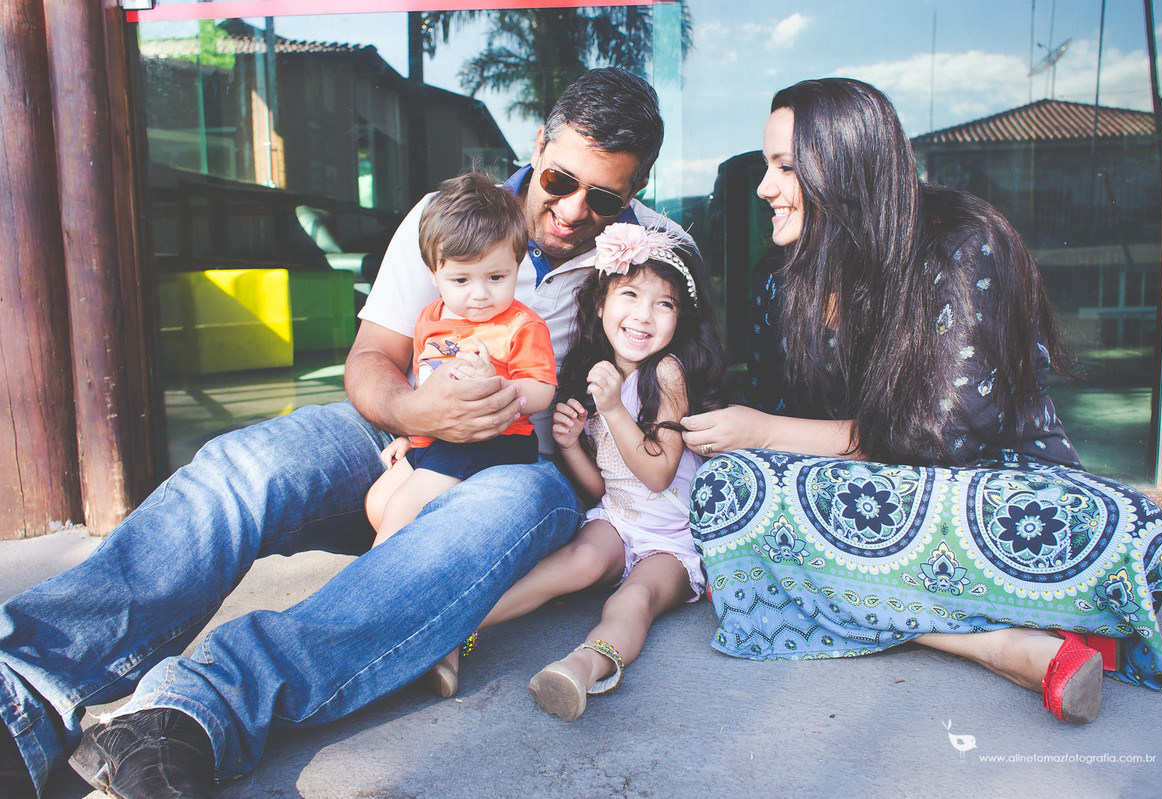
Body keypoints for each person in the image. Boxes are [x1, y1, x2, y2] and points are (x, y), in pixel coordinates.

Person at [0, 67, 683, 799]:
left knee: (505, 509)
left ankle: (193, 713)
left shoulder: (653, 252)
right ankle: (25, 685)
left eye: (604, 198)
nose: (574, 210)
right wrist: (414, 413)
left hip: (528, 468)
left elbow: (684, 382)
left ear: (637, 188)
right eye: (560, 181)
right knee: (246, 465)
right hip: (399, 434)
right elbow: (370, 359)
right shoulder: (448, 216)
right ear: (539, 144)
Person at [682, 78, 1162, 725]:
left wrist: (764, 430)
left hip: (986, 493)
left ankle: (821, 592)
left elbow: (942, 441)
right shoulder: (779, 282)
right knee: (728, 488)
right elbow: (778, 437)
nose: (764, 188)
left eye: (786, 167)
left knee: (1139, 537)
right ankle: (1001, 644)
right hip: (853, 499)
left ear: (847, 166)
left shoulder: (964, 243)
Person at [433, 223, 726, 720]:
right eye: (630, 295)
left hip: (673, 539)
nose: (643, 315)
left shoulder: (666, 373)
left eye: (664, 304)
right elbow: (604, 489)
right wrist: (571, 447)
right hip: (619, 519)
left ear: (680, 318)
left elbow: (657, 475)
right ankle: (453, 634)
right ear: (601, 303)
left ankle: (582, 667)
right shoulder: (597, 376)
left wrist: (611, 410)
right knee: (576, 563)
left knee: (636, 597)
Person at [363, 173, 556, 545]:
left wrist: (497, 387)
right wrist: (411, 434)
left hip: (492, 441)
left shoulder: (521, 325)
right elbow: (424, 382)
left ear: (517, 266)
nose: (480, 294)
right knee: (378, 503)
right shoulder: (429, 318)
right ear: (434, 274)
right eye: (461, 280)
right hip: (437, 438)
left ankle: (380, 571)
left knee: (401, 509)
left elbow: (543, 390)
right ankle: (421, 557)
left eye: (496, 277)